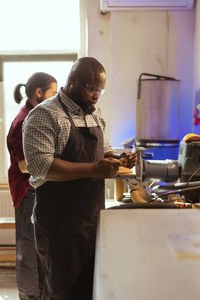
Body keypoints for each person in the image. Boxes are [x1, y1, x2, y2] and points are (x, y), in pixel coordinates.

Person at [23, 57, 137, 300]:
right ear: (73, 81)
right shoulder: (44, 115)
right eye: (92, 88)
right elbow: (42, 166)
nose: (96, 95)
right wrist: (95, 169)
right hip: (58, 225)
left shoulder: (95, 115)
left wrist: (120, 157)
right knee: (61, 291)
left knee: (89, 289)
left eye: (101, 90)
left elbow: (104, 149)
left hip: (91, 220)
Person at [7, 72, 58, 300]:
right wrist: (56, 162)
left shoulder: (35, 116)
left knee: (37, 249)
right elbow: (24, 165)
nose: (55, 100)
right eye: (53, 94)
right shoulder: (23, 121)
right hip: (27, 192)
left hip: (33, 190)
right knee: (29, 250)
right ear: (39, 93)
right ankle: (30, 296)